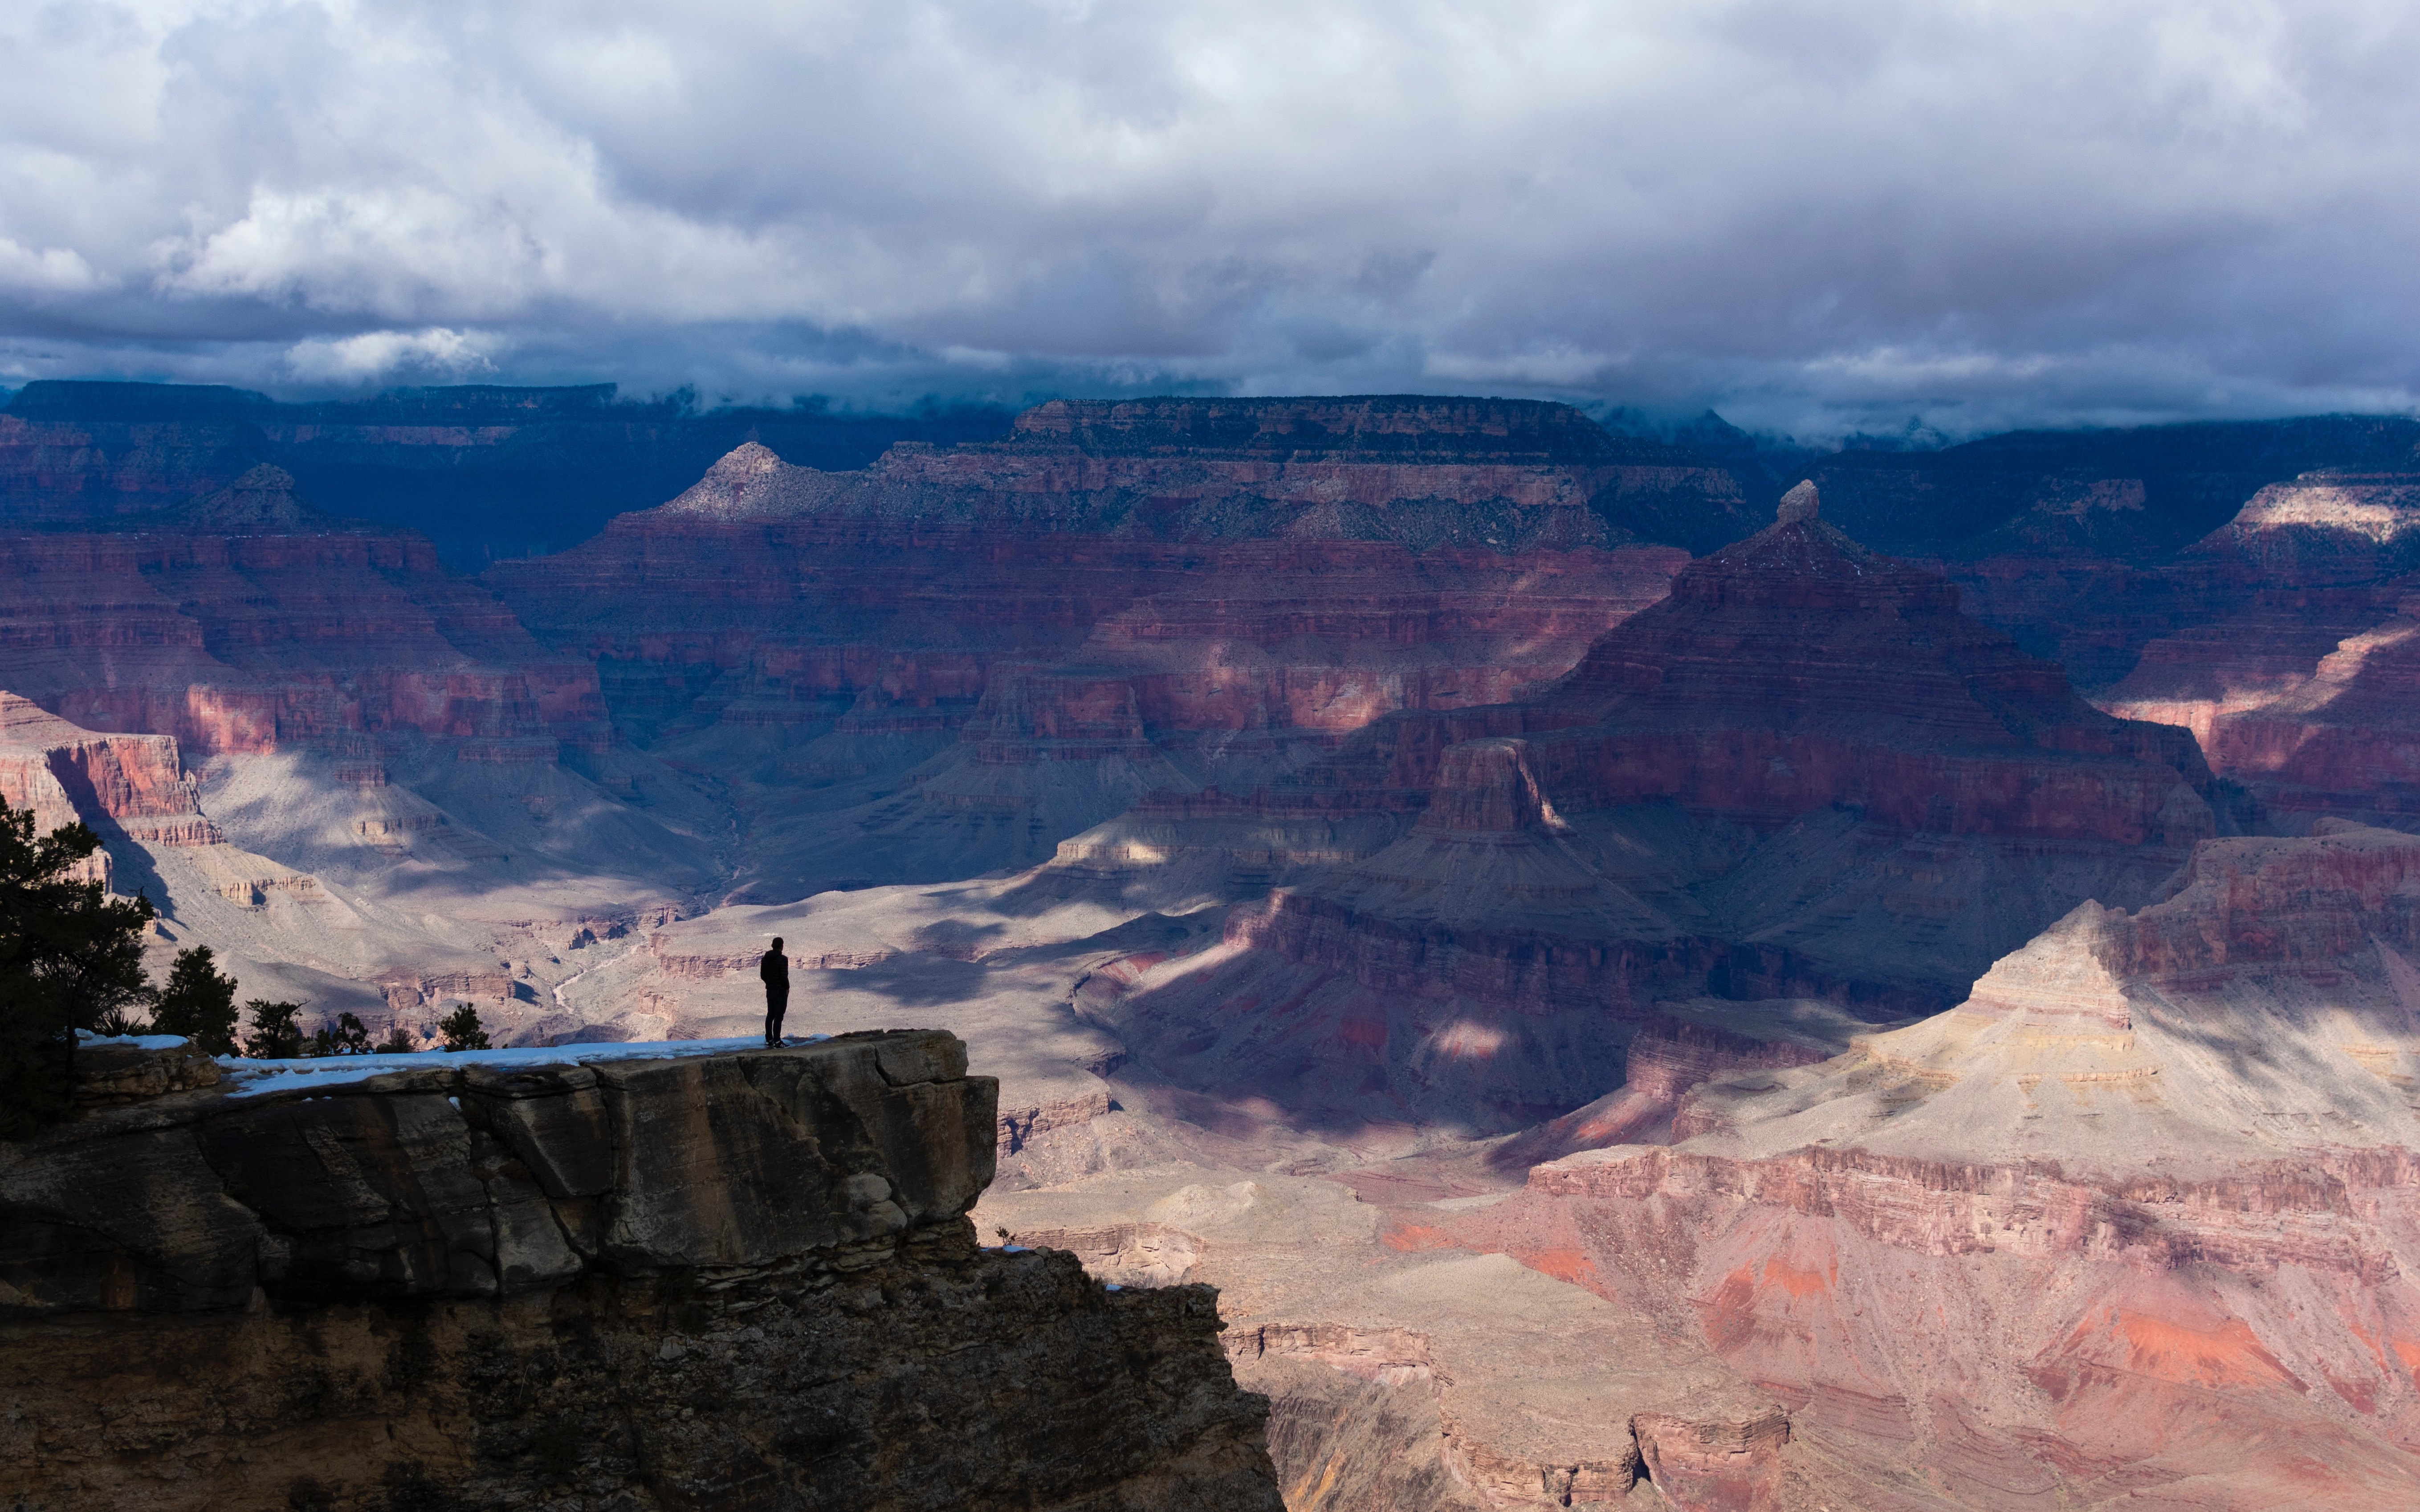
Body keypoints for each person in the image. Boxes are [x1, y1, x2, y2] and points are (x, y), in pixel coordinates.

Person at [760, 937, 790, 1045]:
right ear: (782, 946)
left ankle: (769, 1040)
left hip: (770, 990)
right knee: (779, 1016)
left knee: (770, 1015)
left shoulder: (765, 959)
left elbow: (763, 975)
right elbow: (784, 977)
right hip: (780, 992)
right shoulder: (783, 959)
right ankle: (778, 1041)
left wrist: (770, 983)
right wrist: (787, 988)